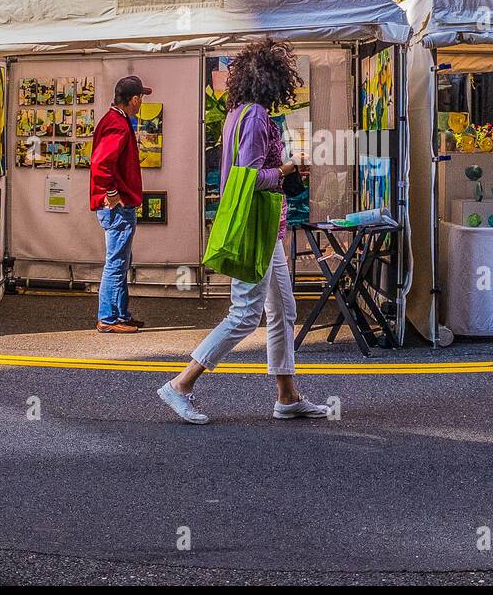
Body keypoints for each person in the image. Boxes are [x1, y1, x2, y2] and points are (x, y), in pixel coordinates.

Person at [157, 38, 328, 425]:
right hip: (256, 227)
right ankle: (180, 385)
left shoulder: (238, 112)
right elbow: (246, 178)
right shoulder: (254, 117)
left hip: (268, 229)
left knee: (283, 310)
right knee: (246, 315)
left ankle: (287, 397)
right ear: (272, 81)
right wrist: (287, 169)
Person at [90, 74, 150, 334]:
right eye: (142, 98)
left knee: (121, 261)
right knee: (116, 262)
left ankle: (120, 315)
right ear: (134, 99)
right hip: (117, 206)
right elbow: (101, 163)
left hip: (118, 204)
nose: (142, 103)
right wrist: (113, 192)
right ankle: (108, 318)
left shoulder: (116, 120)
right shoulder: (118, 124)